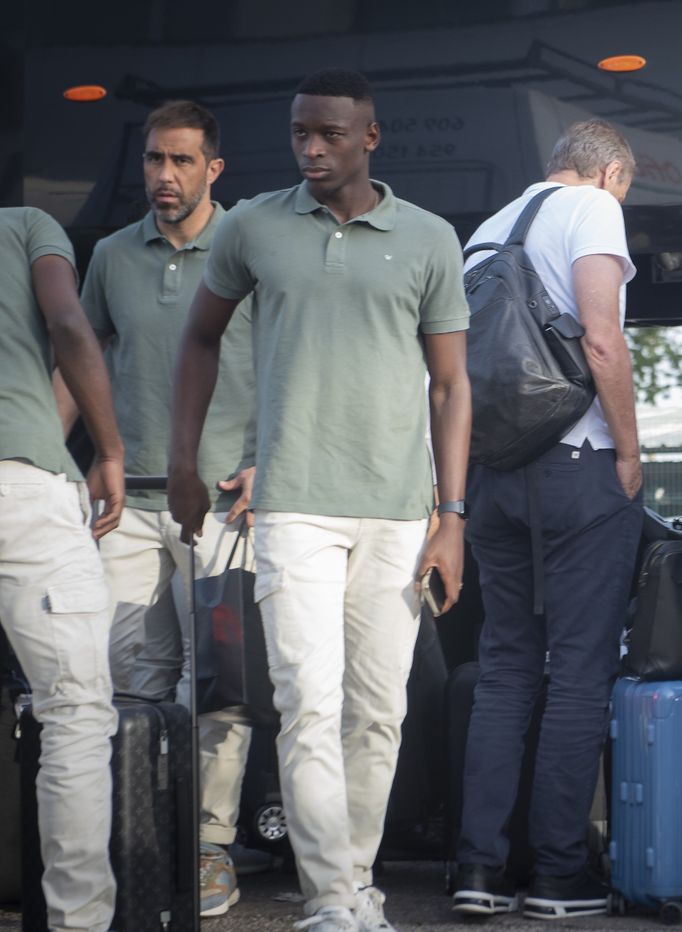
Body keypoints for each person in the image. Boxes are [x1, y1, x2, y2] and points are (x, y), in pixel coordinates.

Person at [168, 68, 472, 932]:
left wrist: (451, 518)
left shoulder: (428, 238)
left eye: (330, 134)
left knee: (379, 712)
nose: (311, 147)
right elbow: (199, 337)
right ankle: (334, 899)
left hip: (398, 509)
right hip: (292, 503)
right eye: (301, 132)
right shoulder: (255, 226)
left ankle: (355, 881)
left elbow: (451, 389)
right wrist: (184, 462)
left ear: (368, 138)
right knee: (307, 699)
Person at [449, 119, 644, 921]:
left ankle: (479, 870)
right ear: (612, 174)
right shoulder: (593, 210)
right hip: (574, 469)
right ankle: (560, 874)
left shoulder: (486, 231)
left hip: (495, 476)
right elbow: (602, 341)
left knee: (504, 671)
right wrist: (629, 453)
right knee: (579, 671)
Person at [74, 100, 256, 917]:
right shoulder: (111, 254)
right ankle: (141, 842)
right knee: (128, 681)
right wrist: (47, 460)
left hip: (225, 504)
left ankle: (211, 847)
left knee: (218, 684)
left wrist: (264, 461)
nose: (164, 176)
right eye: (153, 160)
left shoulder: (249, 247)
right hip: (131, 501)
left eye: (181, 161)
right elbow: (81, 362)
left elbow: (292, 357)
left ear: (213, 168)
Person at [0, 205, 124, 931]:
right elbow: (71, 326)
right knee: (74, 711)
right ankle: (77, 922)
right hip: (22, 487)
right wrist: (107, 450)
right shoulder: (24, 225)